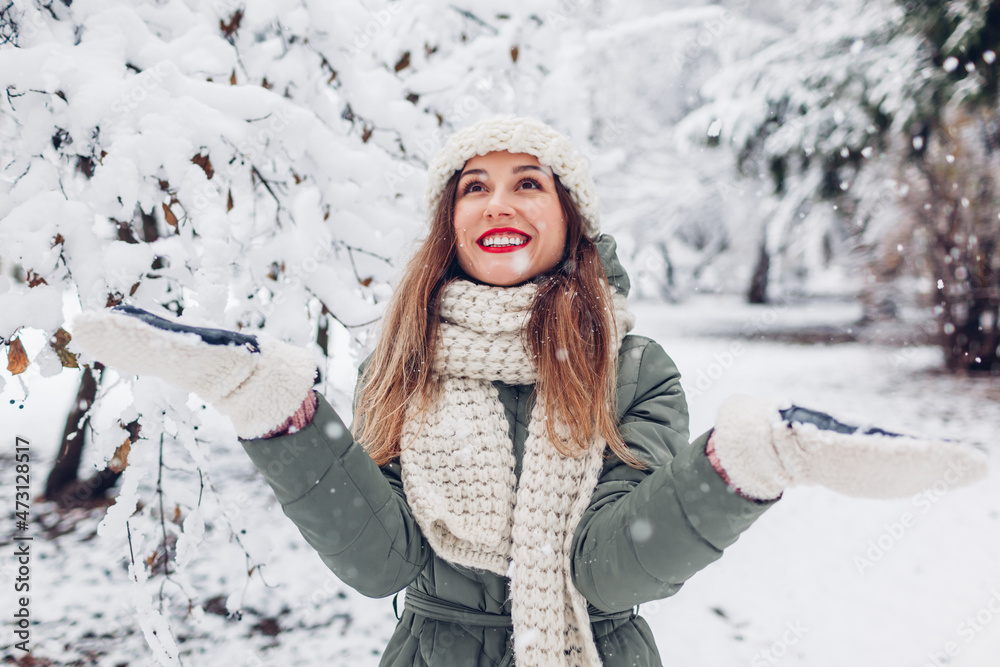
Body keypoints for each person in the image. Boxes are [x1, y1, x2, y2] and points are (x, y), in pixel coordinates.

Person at [73, 116, 988, 667]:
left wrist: (738, 468)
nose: (498, 203)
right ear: (450, 224)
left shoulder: (633, 368)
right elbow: (382, 561)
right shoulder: (403, 360)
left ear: (570, 222)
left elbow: (607, 567)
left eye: (527, 184)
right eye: (474, 186)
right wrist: (270, 408)